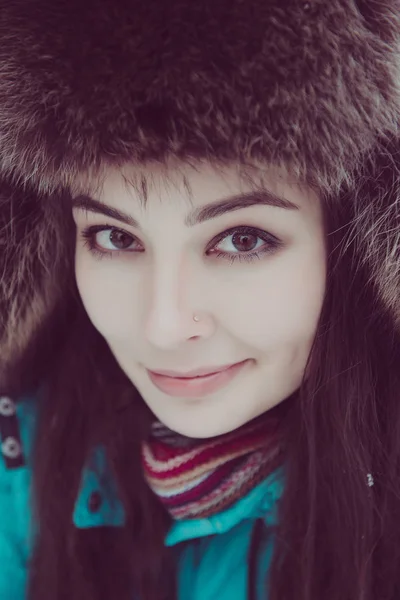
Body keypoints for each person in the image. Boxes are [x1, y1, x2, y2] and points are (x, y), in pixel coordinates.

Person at [0, 1, 400, 599]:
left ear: (355, 248)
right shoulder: (20, 465)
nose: (162, 327)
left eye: (242, 240)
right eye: (115, 237)